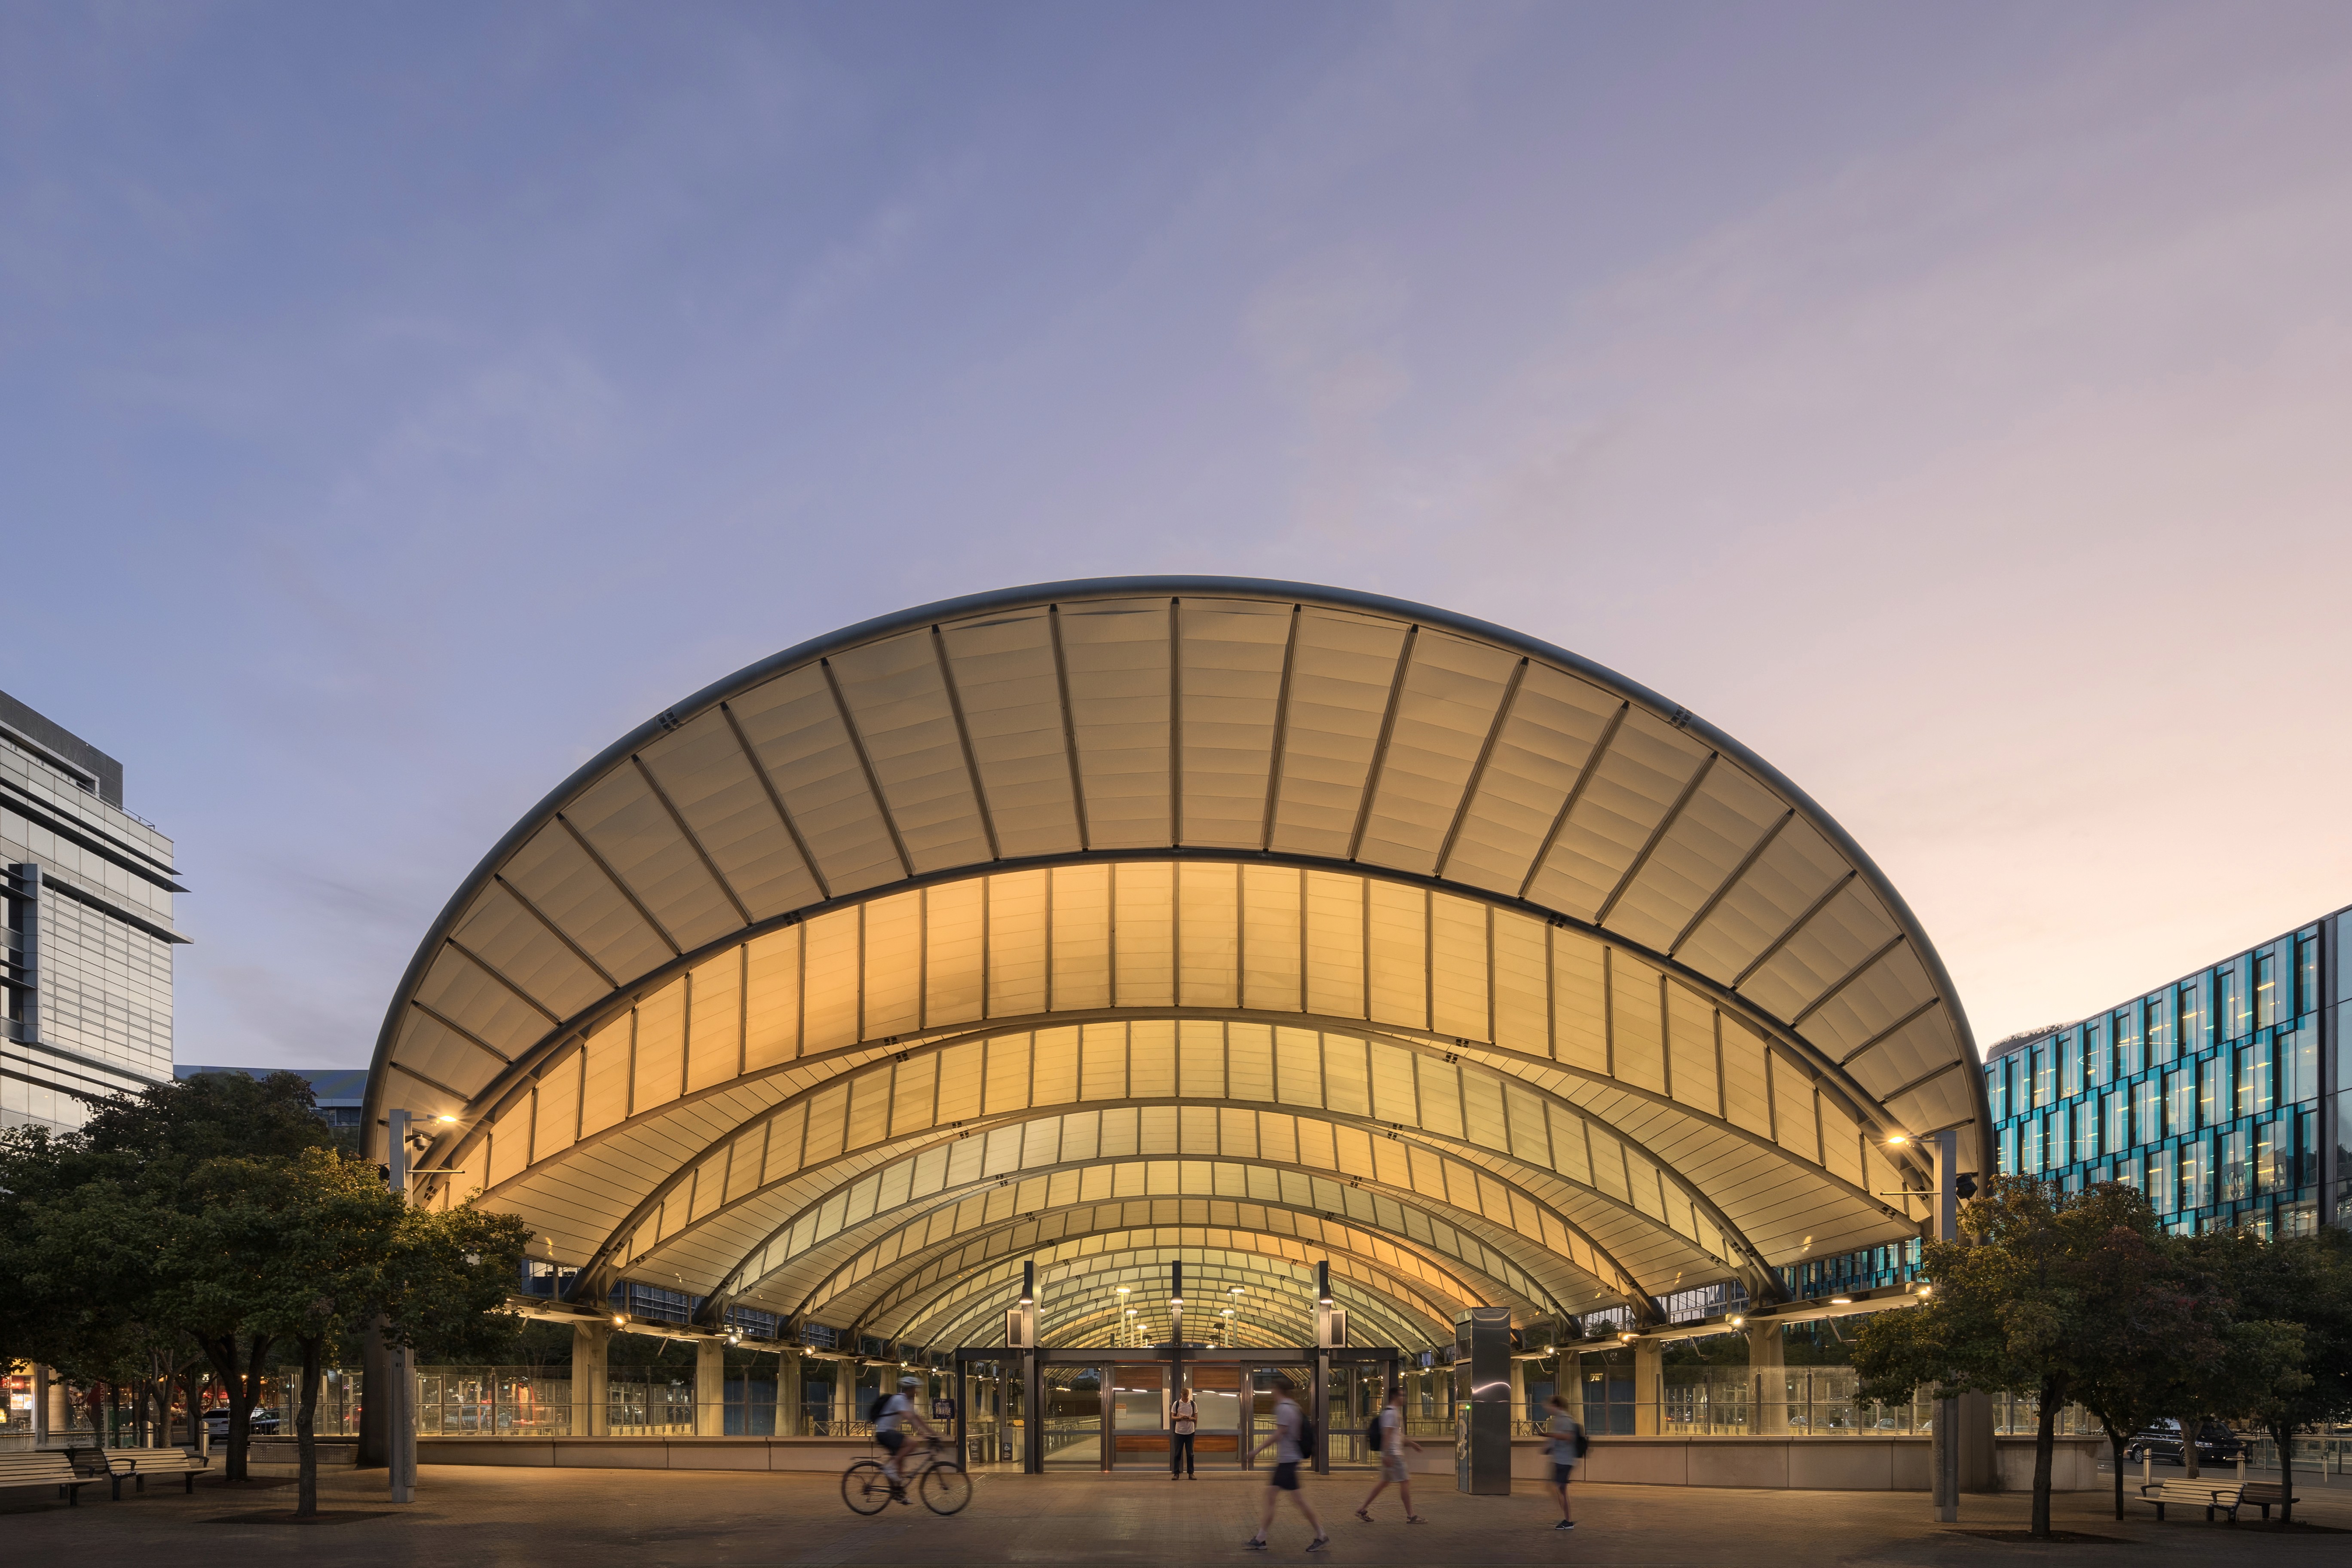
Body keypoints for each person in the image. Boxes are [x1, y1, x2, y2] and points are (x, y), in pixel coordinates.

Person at [1245, 1374, 1327, 1553]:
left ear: (1278, 1390)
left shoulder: (1284, 1408)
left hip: (1288, 1461)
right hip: (1289, 1460)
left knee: (1291, 1500)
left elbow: (1279, 1434)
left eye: (1273, 1389)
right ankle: (1261, 1538)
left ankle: (1320, 1535)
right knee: (1277, 1497)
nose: (1271, 1392)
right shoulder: (1294, 1407)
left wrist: (1256, 1451)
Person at [1352, 1384, 1424, 1523]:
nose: (1404, 1398)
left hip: (1391, 1454)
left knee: (1384, 1483)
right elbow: (1387, 1435)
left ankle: (1362, 1508)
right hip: (1394, 1455)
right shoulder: (1391, 1414)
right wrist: (1386, 1455)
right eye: (1402, 1395)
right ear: (1395, 1397)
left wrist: (1412, 1444)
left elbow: (1396, 1435)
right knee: (1405, 1482)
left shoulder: (1390, 1412)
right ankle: (1411, 1516)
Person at [875, 1375, 942, 1503]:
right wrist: (923, 1434)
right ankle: (889, 1469)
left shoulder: (907, 1401)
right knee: (912, 1444)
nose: (917, 1392)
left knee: (901, 1464)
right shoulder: (899, 1400)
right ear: (910, 1389)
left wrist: (933, 1433)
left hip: (889, 1432)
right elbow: (910, 1418)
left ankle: (899, 1494)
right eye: (915, 1389)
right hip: (884, 1432)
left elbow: (917, 1418)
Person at [1544, 1393, 1584, 1530]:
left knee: (1555, 1488)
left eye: (1551, 1405)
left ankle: (1568, 1520)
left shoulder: (1565, 1419)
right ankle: (1568, 1519)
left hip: (1565, 1460)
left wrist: (1550, 1435)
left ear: (1557, 1406)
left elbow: (1568, 1437)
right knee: (1560, 1489)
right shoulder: (1560, 1419)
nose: (1548, 1407)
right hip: (1562, 1459)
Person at [1170, 1384, 1199, 1479]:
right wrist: (1180, 1418)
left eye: (1187, 1395)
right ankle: (1176, 1473)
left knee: (1190, 1454)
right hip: (1179, 1432)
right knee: (1178, 1453)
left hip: (1190, 1432)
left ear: (1189, 1394)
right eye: (1184, 1396)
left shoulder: (1193, 1404)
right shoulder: (1177, 1404)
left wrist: (1192, 1419)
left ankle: (1191, 1473)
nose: (1186, 1397)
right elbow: (1173, 1417)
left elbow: (1196, 1417)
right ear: (1181, 1395)